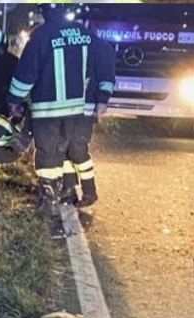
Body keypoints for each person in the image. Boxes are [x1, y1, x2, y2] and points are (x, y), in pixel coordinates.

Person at [7, 3, 96, 233]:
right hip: (77, 109)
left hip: (48, 110)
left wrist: (14, 99)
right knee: (67, 150)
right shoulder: (83, 33)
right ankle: (66, 191)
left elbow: (26, 73)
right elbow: (93, 68)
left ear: (45, 12)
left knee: (48, 155)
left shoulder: (41, 36)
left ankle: (49, 201)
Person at [62, 24, 116, 207]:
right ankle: (68, 190)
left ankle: (90, 191)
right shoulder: (74, 45)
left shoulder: (100, 48)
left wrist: (102, 101)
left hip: (87, 107)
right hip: (67, 107)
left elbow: (107, 79)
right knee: (64, 149)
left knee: (77, 149)